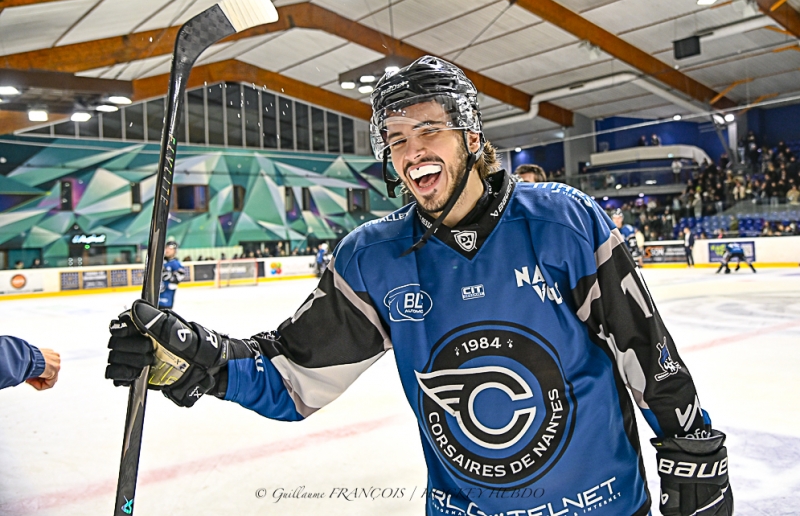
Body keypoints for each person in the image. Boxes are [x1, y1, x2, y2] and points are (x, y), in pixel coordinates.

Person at [105, 56, 732, 516]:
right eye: (396, 138)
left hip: (601, 507)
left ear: (471, 136)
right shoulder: (372, 257)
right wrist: (196, 358)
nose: (411, 151)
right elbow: (293, 376)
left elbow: (646, 350)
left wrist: (692, 441)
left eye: (428, 129)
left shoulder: (562, 221)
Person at [158, 240, 186, 310]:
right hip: (155, 298)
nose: (167, 250)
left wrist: (168, 276)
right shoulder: (159, 262)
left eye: (170, 249)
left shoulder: (176, 264)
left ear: (175, 251)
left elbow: (176, 280)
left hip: (166, 299)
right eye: (166, 248)